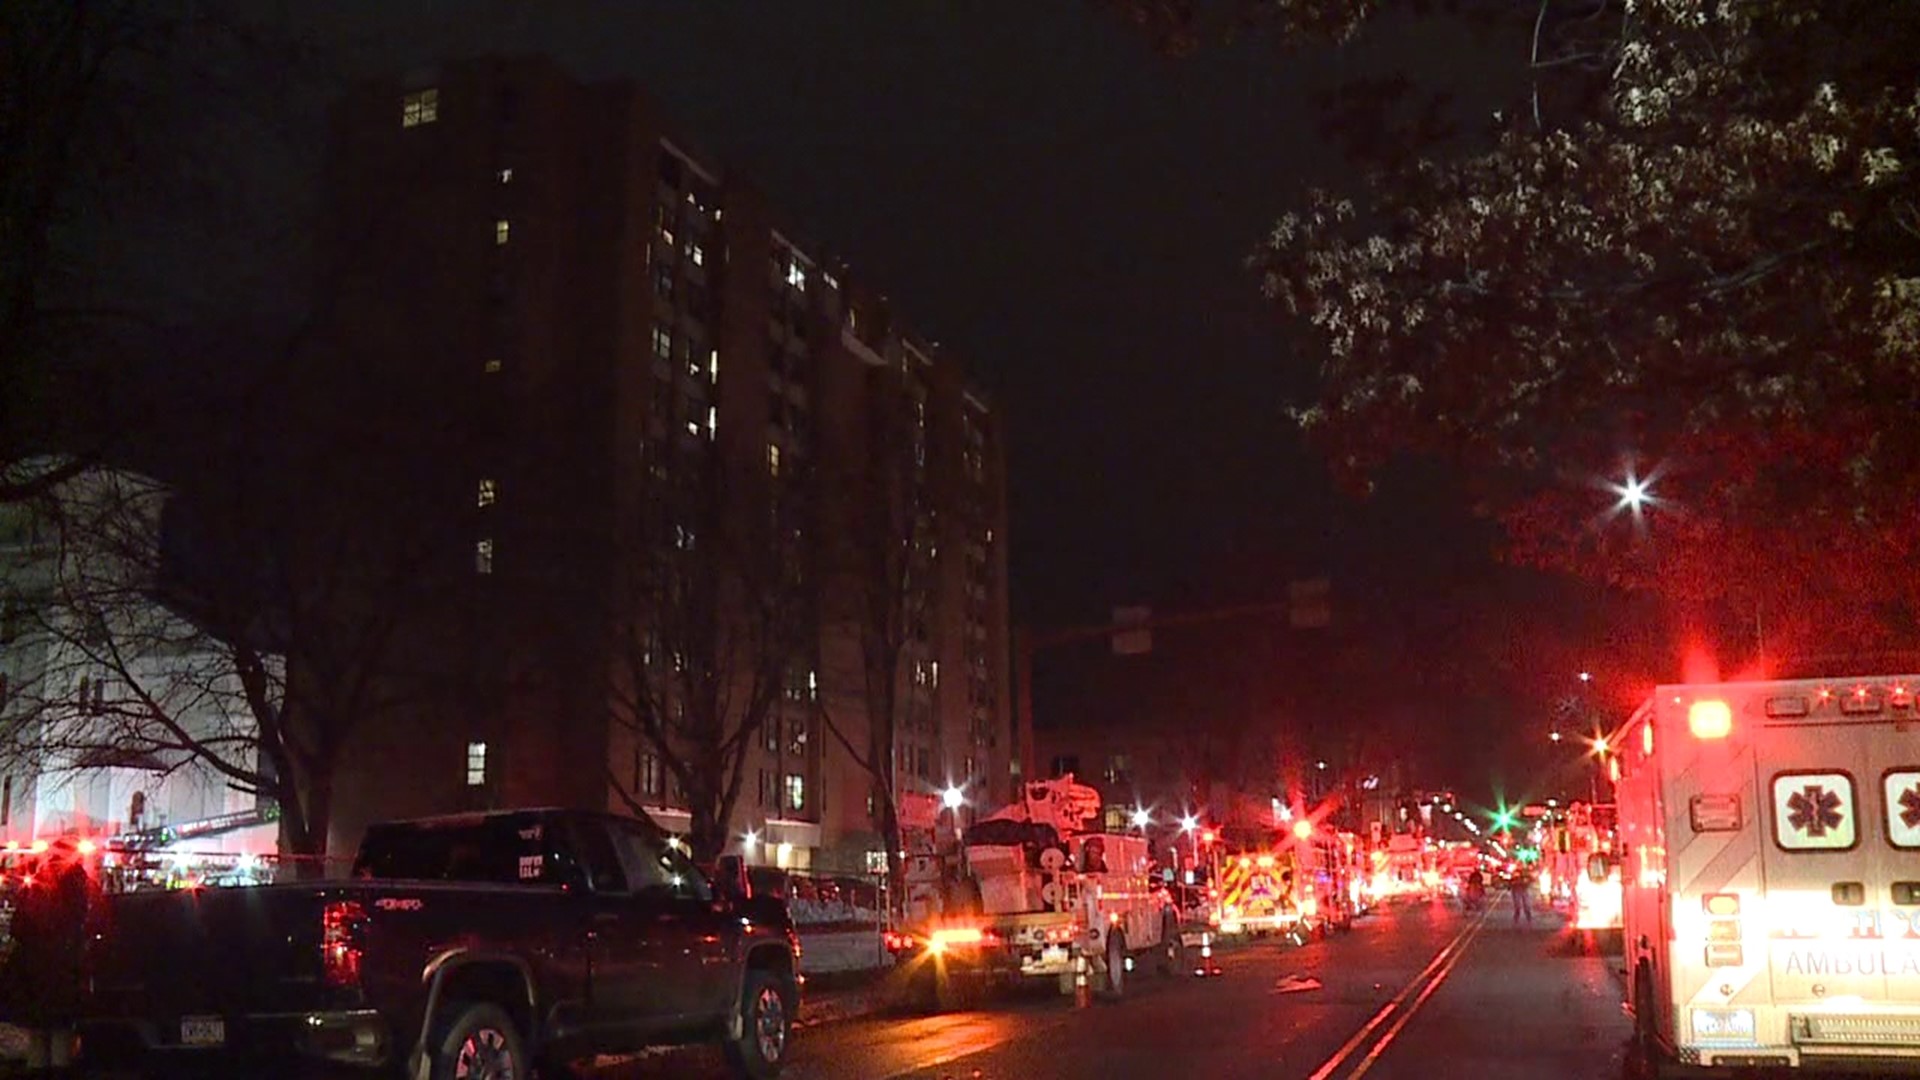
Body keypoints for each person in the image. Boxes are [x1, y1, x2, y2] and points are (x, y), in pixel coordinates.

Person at [0, 839, 96, 1072]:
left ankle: (38, 1071)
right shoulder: (80, 885)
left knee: (38, 1036)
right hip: (65, 971)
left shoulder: (36, 885)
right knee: (61, 1035)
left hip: (34, 972)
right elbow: (91, 924)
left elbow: (18, 928)